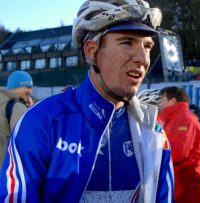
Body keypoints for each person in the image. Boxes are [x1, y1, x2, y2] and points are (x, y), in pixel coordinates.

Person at [0, 1, 174, 202]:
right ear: (91, 50)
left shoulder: (153, 131)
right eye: (127, 42)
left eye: (147, 46)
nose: (142, 59)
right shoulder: (42, 121)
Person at [158, 86, 200, 203]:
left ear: (172, 101)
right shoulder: (170, 119)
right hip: (177, 183)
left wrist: (150, 157)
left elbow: (177, 153)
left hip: (186, 185)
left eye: (162, 99)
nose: (160, 104)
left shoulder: (184, 119)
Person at [0, 70, 33, 167]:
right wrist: (31, 112)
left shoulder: (3, 103)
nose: (30, 91)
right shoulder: (17, 107)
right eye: (28, 87)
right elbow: (28, 140)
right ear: (16, 87)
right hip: (10, 173)